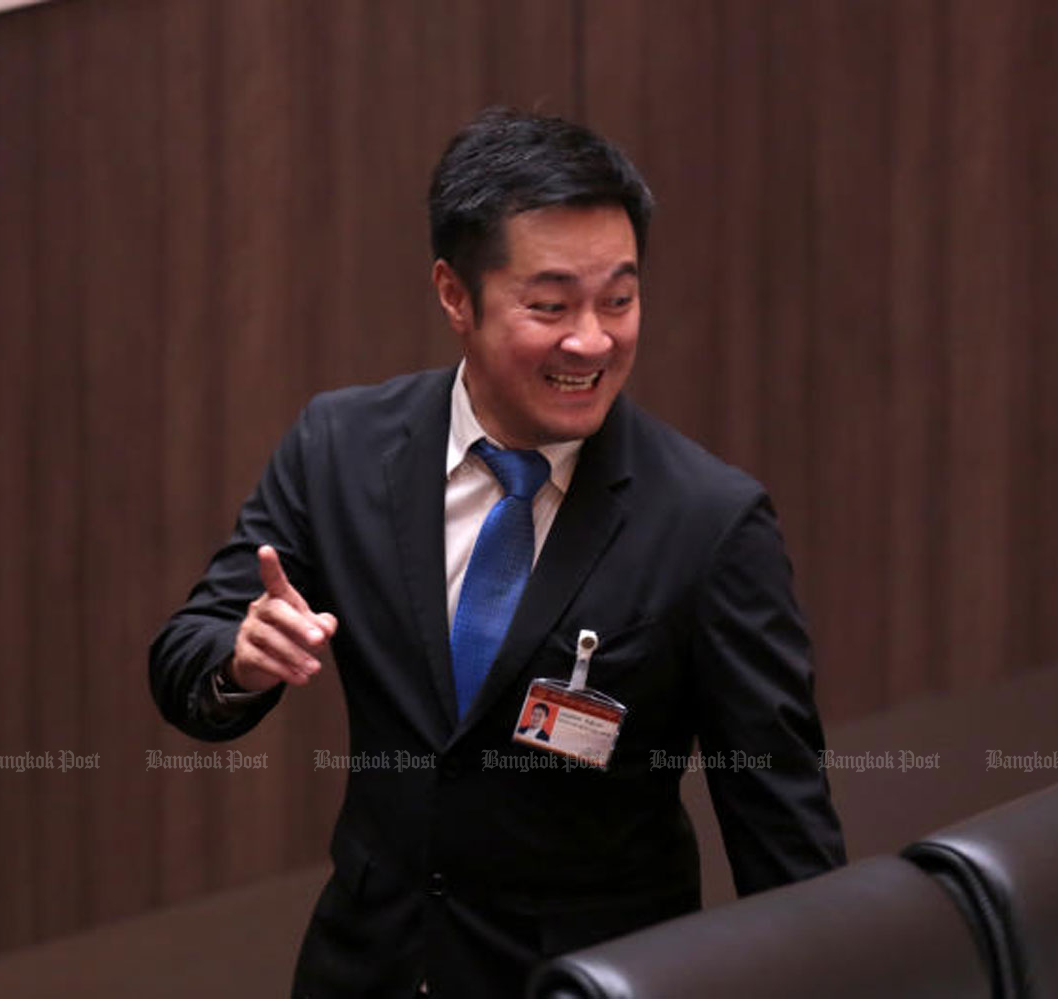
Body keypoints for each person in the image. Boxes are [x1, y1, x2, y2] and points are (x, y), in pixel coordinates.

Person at [149, 107, 844, 999]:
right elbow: (186, 654)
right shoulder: (343, 448)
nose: (591, 340)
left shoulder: (710, 524)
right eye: (550, 306)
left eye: (619, 299)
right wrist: (240, 661)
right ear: (454, 294)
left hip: (580, 982)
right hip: (370, 970)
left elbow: (785, 837)